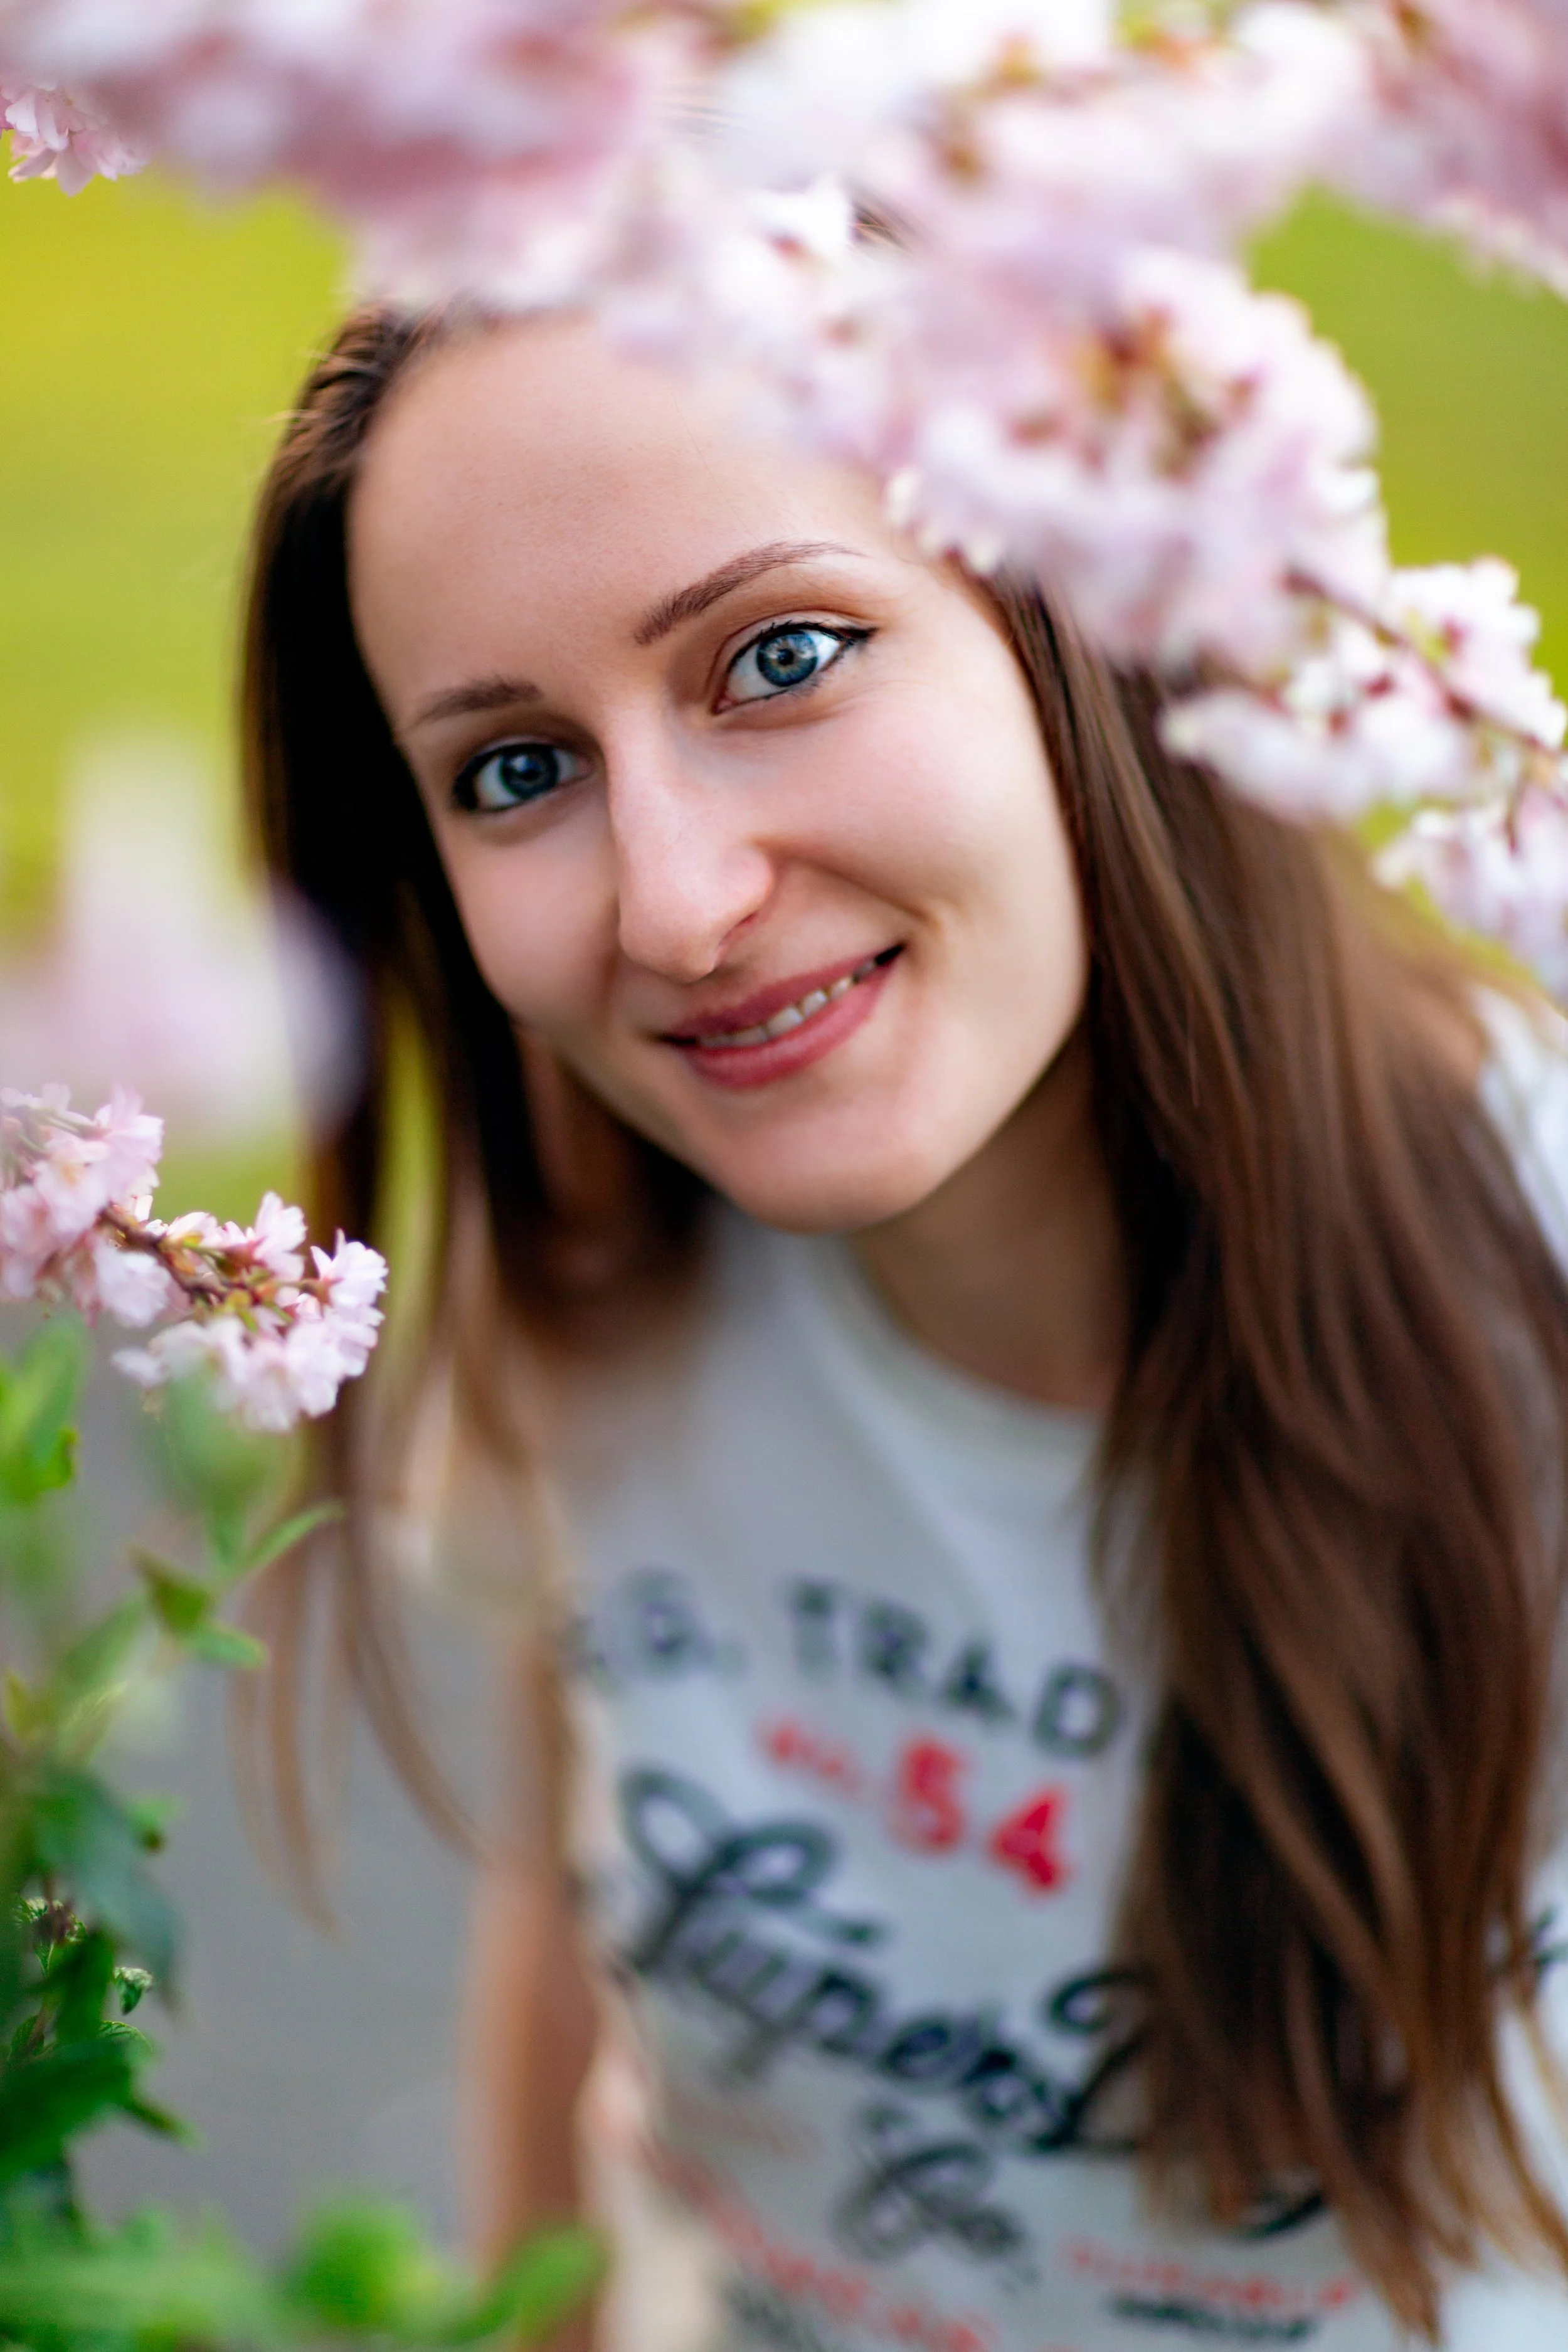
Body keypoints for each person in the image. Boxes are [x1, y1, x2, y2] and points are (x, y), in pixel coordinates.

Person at [243, 300, 1568, 2352]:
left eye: (779, 656)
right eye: (517, 769)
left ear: (1081, 605)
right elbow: (572, 1936)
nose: (673, 905)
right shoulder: (591, 1271)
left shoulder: (1536, 1284)